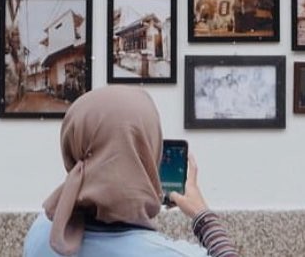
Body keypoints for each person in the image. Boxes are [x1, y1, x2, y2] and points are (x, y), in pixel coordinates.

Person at [23, 85, 239, 257]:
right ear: (149, 152)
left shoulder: (43, 233)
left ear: (71, 145)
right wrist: (203, 216)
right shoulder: (173, 254)